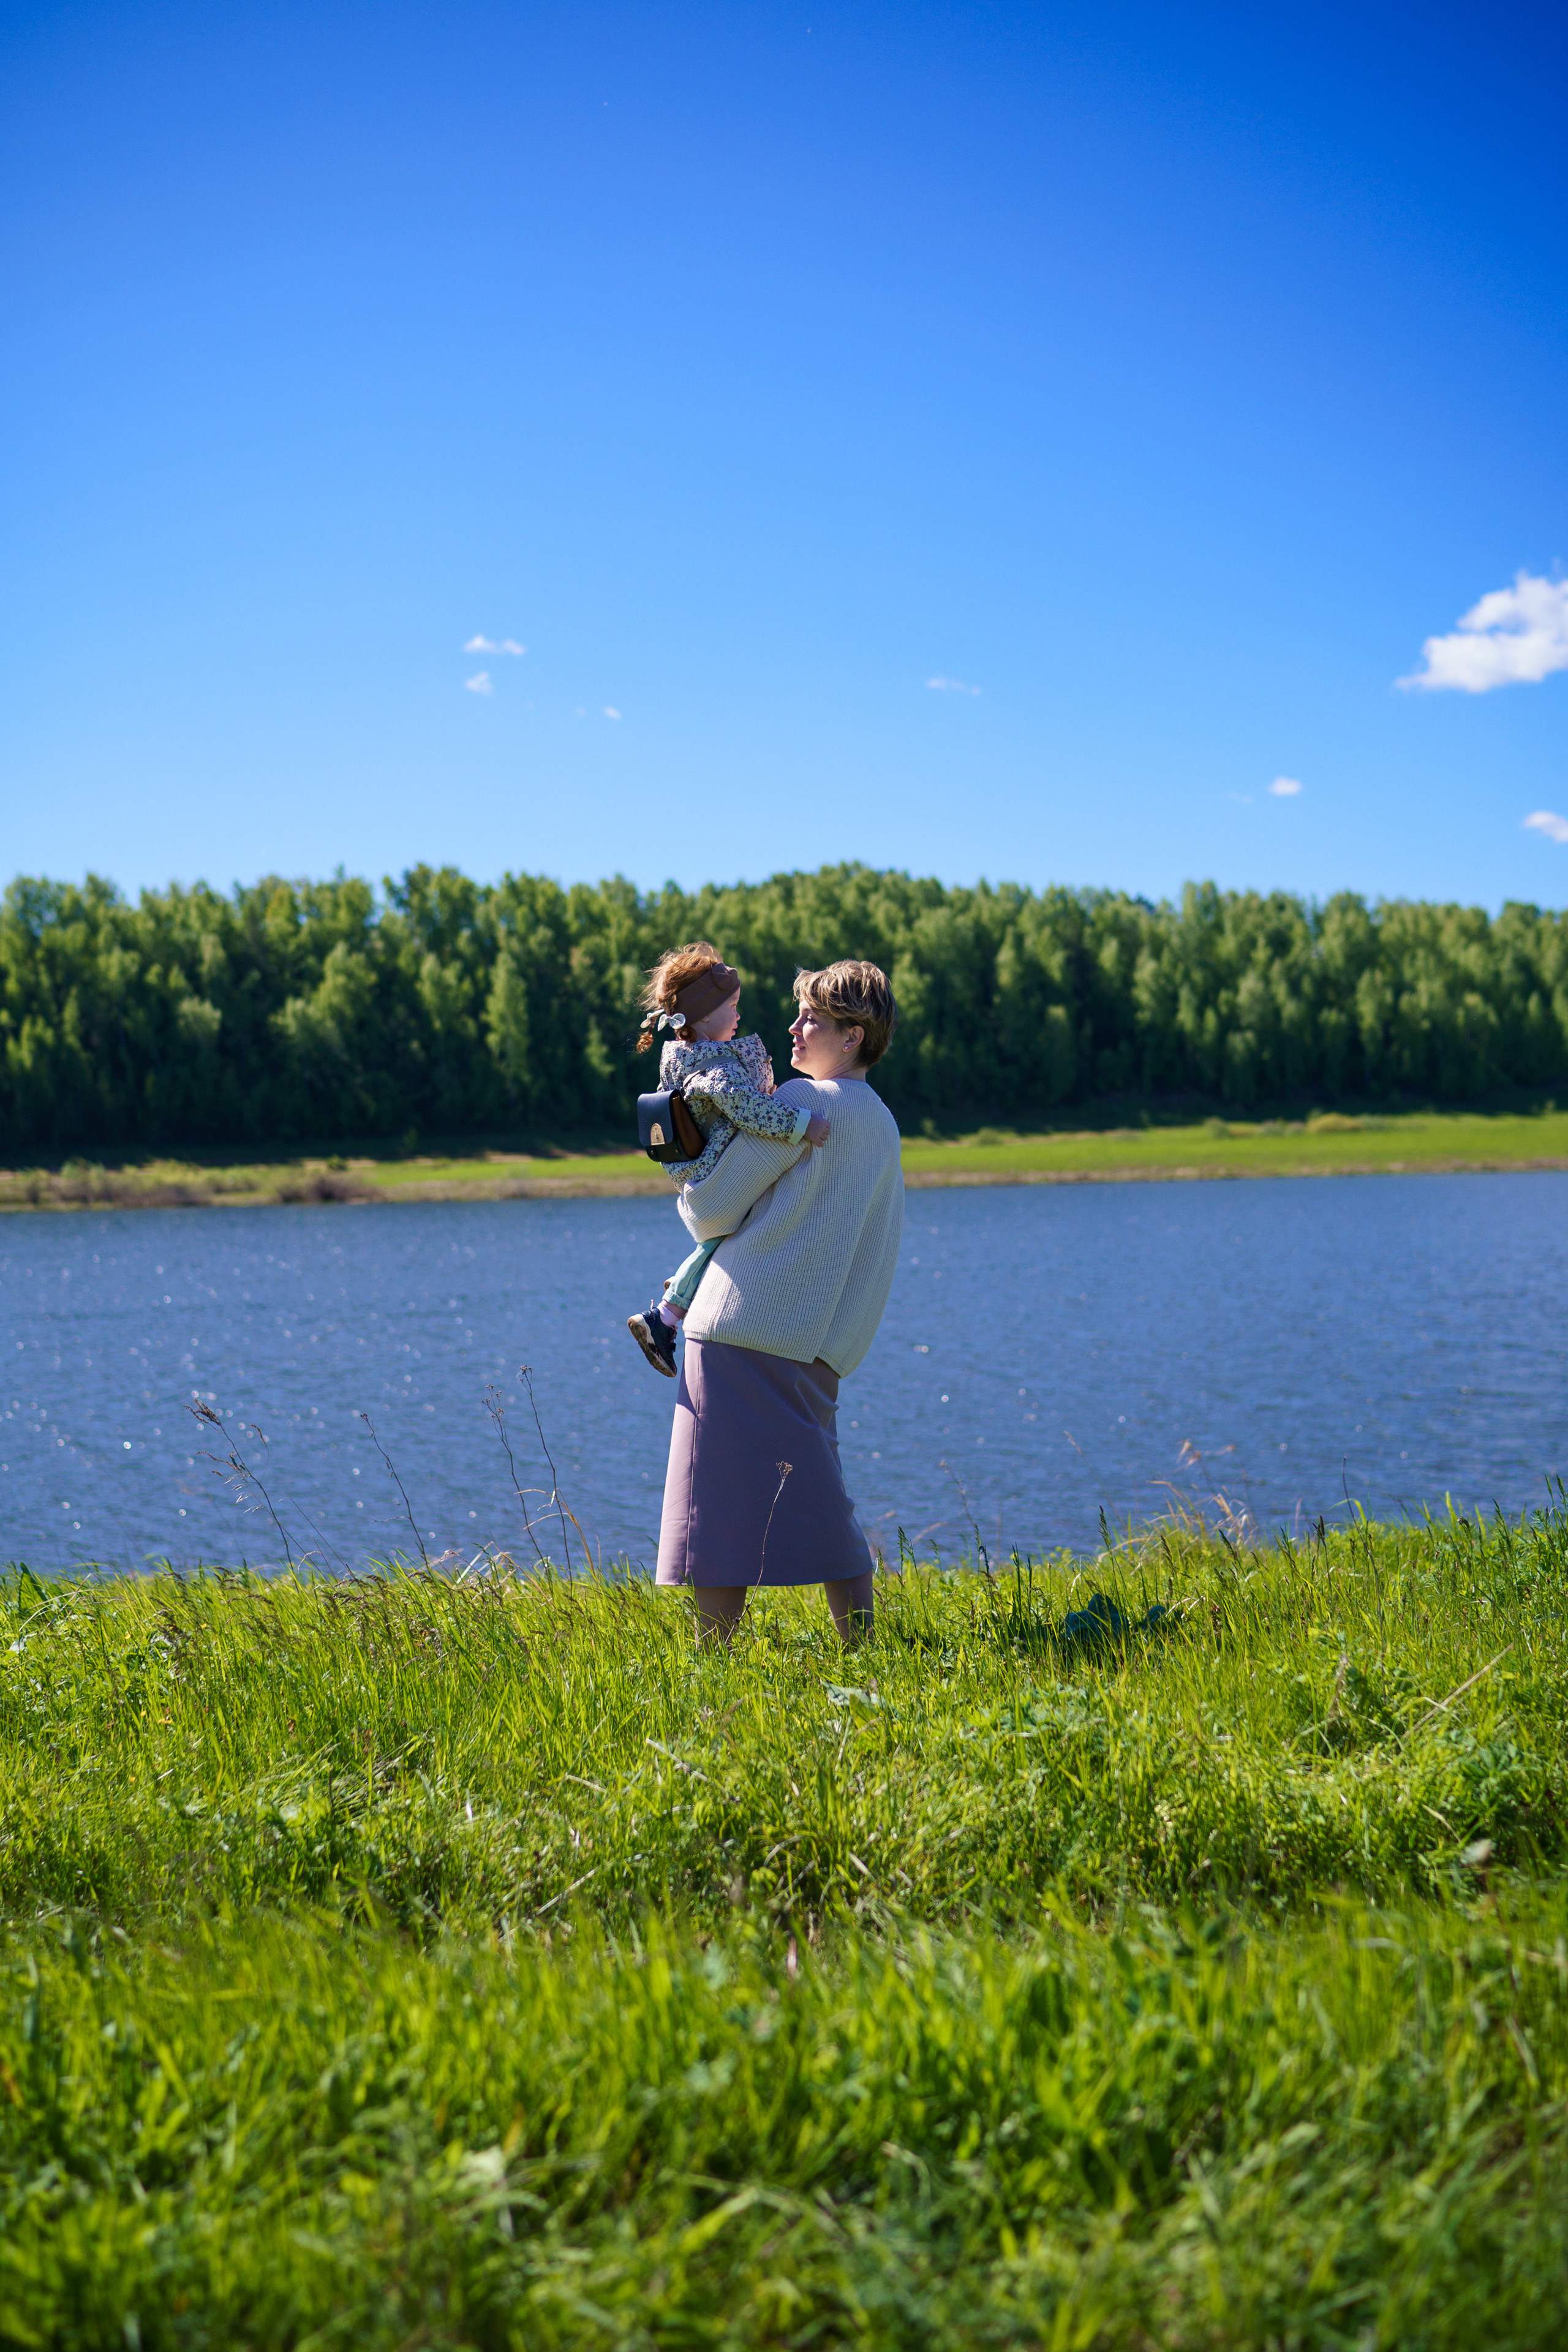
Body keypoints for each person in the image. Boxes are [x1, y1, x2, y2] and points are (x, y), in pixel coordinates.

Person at [654, 958, 903, 1644]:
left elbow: (709, 1211)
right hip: (819, 1344)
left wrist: (686, 1173)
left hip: (738, 1325)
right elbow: (875, 1241)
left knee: (716, 1507)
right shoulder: (882, 1123)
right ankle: (860, 1648)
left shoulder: (803, 1101)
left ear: (852, 1035)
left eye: (811, 1018)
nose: (793, 1028)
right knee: (822, 1500)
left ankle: (712, 1663)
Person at [627, 943, 829, 1375]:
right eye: (731, 1006)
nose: (738, 1015)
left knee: (722, 1238)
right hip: (717, 1175)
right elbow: (743, 1105)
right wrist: (800, 1126)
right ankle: (664, 1316)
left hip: (702, 1173)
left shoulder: (686, 1058)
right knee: (732, 1229)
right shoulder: (715, 1066)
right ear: (702, 1016)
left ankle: (687, 1285)